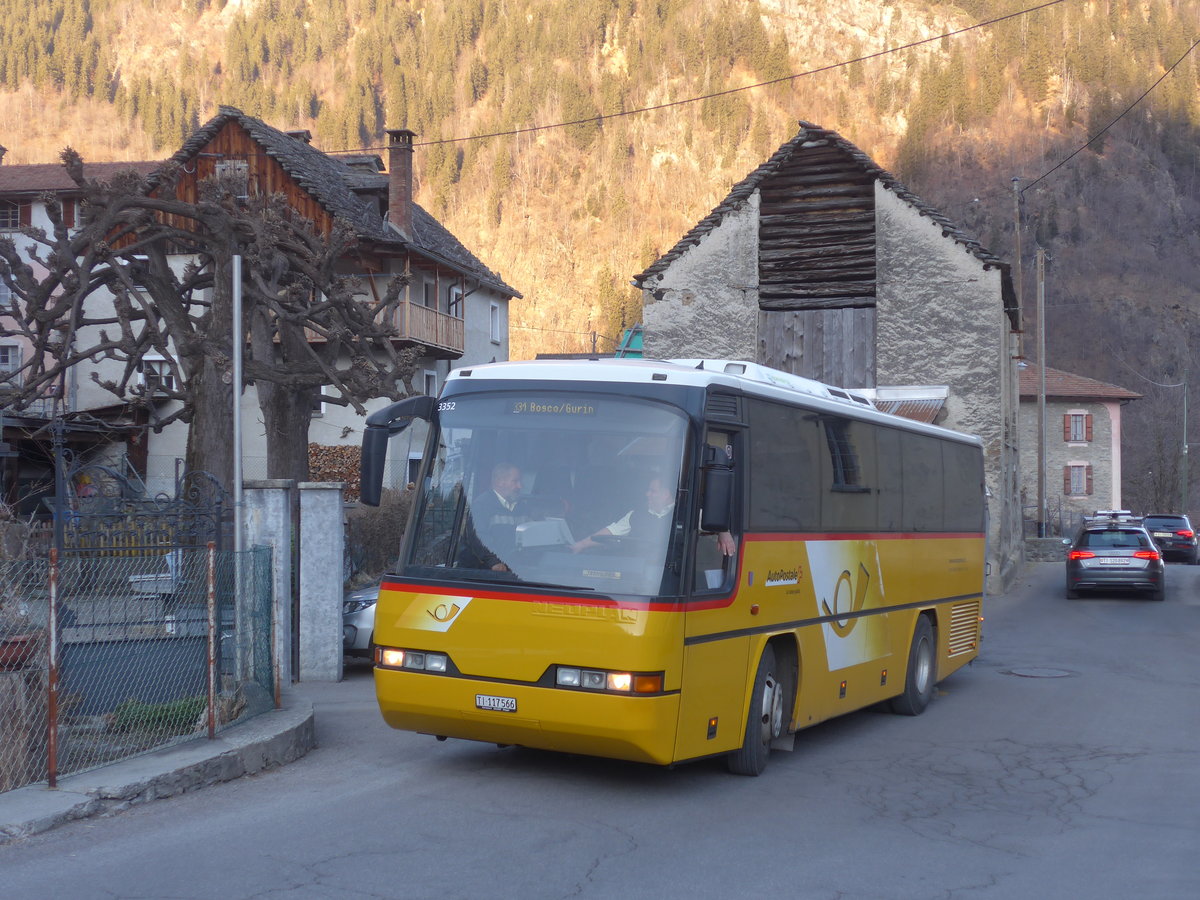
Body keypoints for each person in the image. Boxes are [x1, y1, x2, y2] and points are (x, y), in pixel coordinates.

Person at [570, 474, 736, 556]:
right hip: (639, 575)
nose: (647, 494)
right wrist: (581, 544)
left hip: (674, 576)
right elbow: (610, 532)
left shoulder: (688, 512)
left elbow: (714, 520)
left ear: (666, 494)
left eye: (652, 491)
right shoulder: (636, 514)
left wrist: (724, 532)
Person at [469, 462, 529, 565]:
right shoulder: (482, 505)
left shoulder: (522, 507)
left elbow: (533, 536)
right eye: (515, 481)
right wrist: (494, 561)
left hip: (518, 570)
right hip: (489, 573)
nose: (520, 486)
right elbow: (479, 538)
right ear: (501, 482)